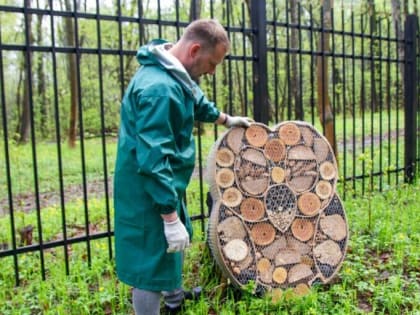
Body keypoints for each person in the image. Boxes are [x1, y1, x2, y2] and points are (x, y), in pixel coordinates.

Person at [113, 18, 252, 315]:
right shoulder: (159, 90)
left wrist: (226, 119)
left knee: (171, 245)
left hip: (164, 182)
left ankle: (175, 299)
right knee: (150, 264)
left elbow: (195, 100)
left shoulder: (173, 70)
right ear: (195, 49)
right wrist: (168, 214)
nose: (212, 72)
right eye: (212, 63)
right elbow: (152, 161)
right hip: (148, 187)